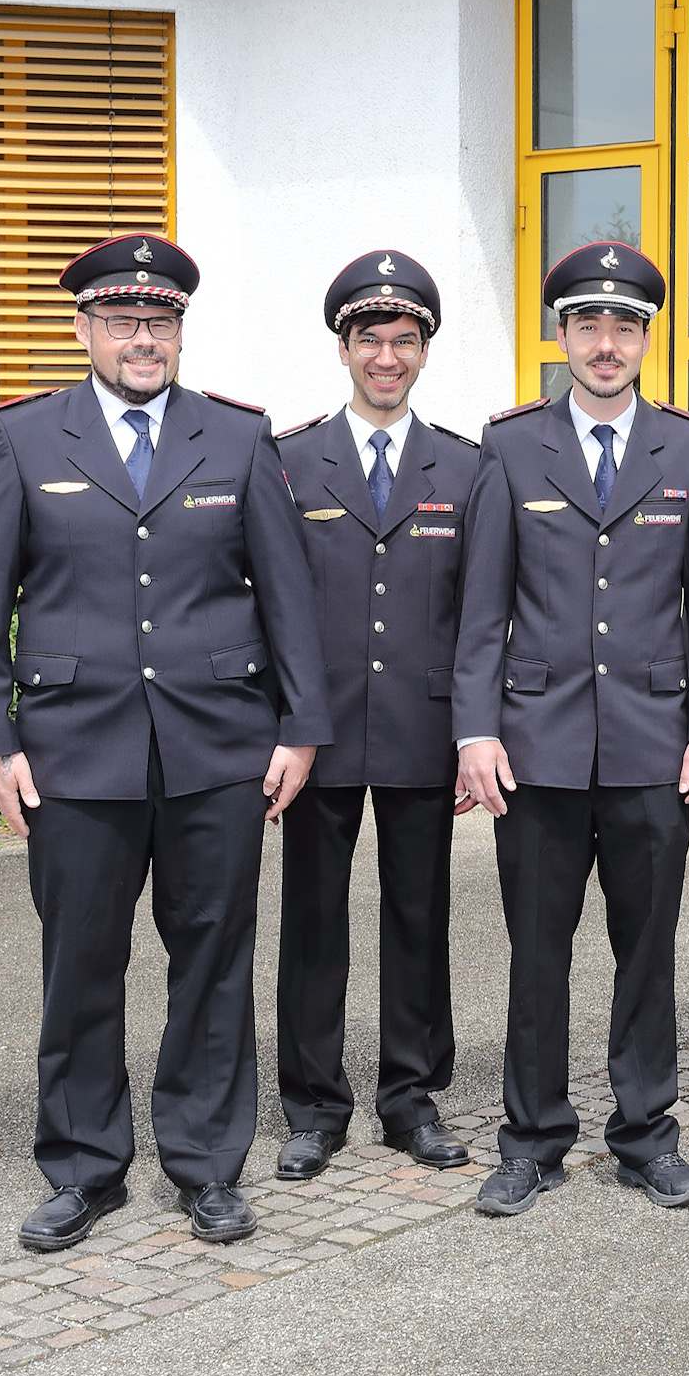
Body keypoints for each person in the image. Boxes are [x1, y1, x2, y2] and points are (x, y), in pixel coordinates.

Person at [0, 233, 329, 1250]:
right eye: (122, 320)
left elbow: (289, 598)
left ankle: (206, 1163)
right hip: (73, 752)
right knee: (81, 961)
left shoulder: (235, 437)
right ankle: (84, 1165)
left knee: (212, 960)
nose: (143, 338)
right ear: (84, 329)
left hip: (219, 748)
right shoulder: (25, 438)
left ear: (180, 331)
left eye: (160, 320)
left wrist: (300, 729)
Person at [453, 241, 689, 1216]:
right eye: (587, 325)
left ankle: (646, 1135)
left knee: (646, 952)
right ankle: (530, 1141)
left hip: (655, 744)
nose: (605, 343)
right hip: (537, 746)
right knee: (538, 953)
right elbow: (482, 607)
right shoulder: (511, 445)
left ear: (646, 338)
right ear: (561, 335)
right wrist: (475, 731)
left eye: (623, 326)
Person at [270, 251, 480, 1180]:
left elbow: (481, 613)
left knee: (419, 917)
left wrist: (475, 732)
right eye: (369, 339)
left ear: (424, 351)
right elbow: (268, 605)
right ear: (344, 348)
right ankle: (314, 1106)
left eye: (403, 340)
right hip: (315, 734)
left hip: (423, 728)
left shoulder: (466, 467)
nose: (386, 356)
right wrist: (281, 724)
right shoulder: (286, 461)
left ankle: (411, 1098)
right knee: (313, 920)